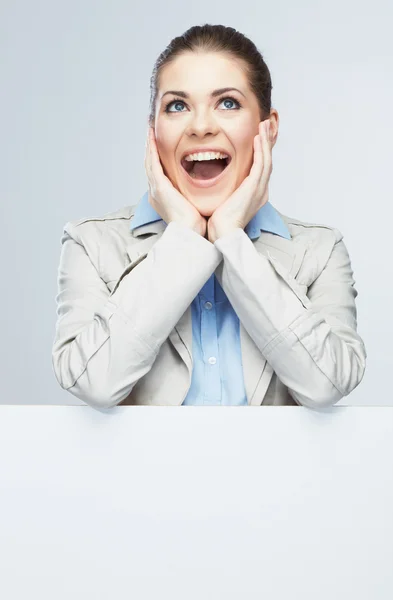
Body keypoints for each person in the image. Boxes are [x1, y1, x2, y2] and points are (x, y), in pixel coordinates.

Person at [52, 24, 367, 410]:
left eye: (228, 103)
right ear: (154, 133)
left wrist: (230, 239)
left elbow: (326, 384)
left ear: (268, 129)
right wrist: (184, 238)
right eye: (177, 106)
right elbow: (94, 382)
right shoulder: (92, 245)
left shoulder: (319, 251)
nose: (201, 126)